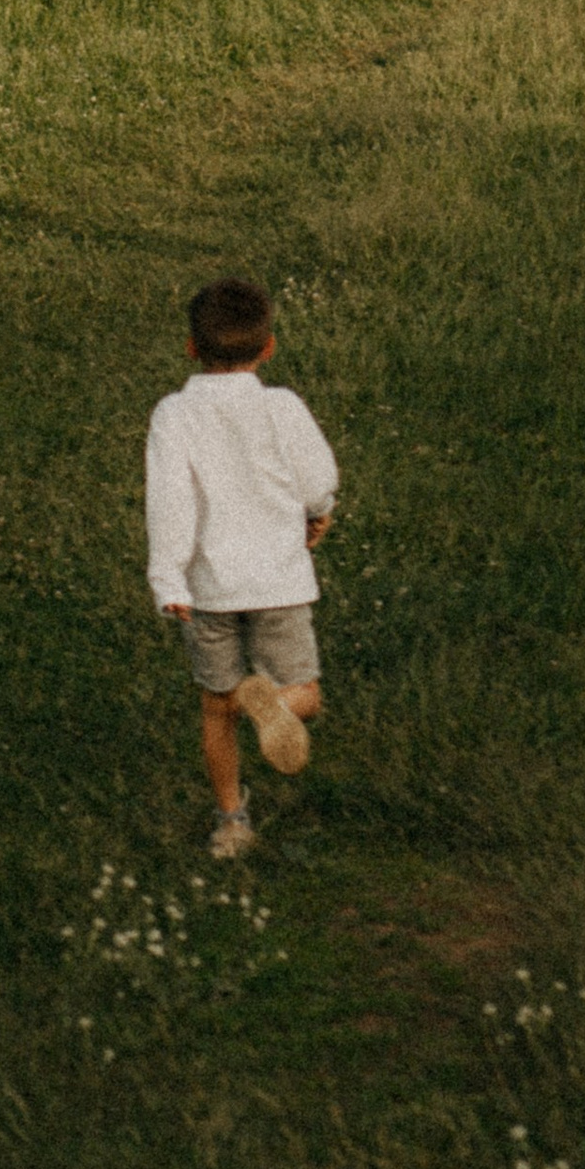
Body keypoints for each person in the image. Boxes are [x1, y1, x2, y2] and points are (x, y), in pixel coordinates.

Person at [145, 275, 338, 859]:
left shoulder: (175, 414)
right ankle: (275, 706)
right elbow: (318, 478)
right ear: (269, 347)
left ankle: (231, 821)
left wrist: (168, 577)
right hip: (278, 580)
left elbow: (169, 500)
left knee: (216, 708)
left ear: (191, 347)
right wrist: (318, 513)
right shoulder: (282, 407)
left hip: (209, 588)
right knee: (307, 693)